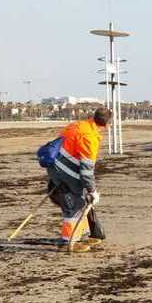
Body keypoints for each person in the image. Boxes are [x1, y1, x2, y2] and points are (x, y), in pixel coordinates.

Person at [47, 108, 110, 252]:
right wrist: (92, 191)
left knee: (81, 199)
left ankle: (83, 234)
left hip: (54, 166)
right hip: (65, 171)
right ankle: (69, 241)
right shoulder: (90, 138)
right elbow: (86, 172)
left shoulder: (78, 125)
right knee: (75, 205)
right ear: (107, 125)